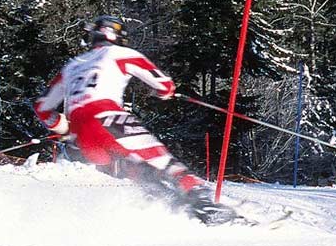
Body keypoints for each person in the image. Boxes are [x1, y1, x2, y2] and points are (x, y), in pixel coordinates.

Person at [34, 16, 232, 225]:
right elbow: (163, 84)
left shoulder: (72, 67)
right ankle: (205, 205)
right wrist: (165, 92)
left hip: (82, 137)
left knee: (136, 168)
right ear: (119, 37)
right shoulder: (121, 53)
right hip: (107, 117)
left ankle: (173, 208)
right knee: (161, 159)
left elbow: (41, 108)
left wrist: (63, 127)